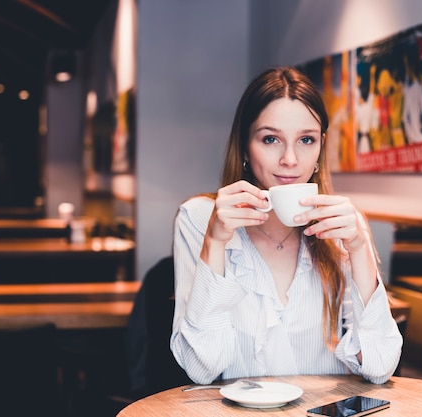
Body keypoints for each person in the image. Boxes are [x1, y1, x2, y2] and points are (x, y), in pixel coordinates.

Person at [170, 67, 402, 385]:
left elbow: (379, 366)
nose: (290, 159)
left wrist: (359, 249)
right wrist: (215, 243)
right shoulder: (200, 219)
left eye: (306, 140)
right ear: (246, 148)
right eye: (271, 139)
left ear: (321, 147)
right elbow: (201, 368)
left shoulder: (341, 226)